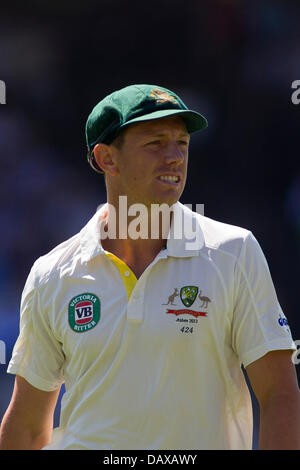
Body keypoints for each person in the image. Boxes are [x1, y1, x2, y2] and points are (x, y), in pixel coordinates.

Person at [0, 84, 299, 450]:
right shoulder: (52, 273)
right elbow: (27, 429)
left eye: (182, 144)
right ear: (107, 159)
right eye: (155, 143)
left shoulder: (234, 253)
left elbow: (280, 396)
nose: (174, 156)